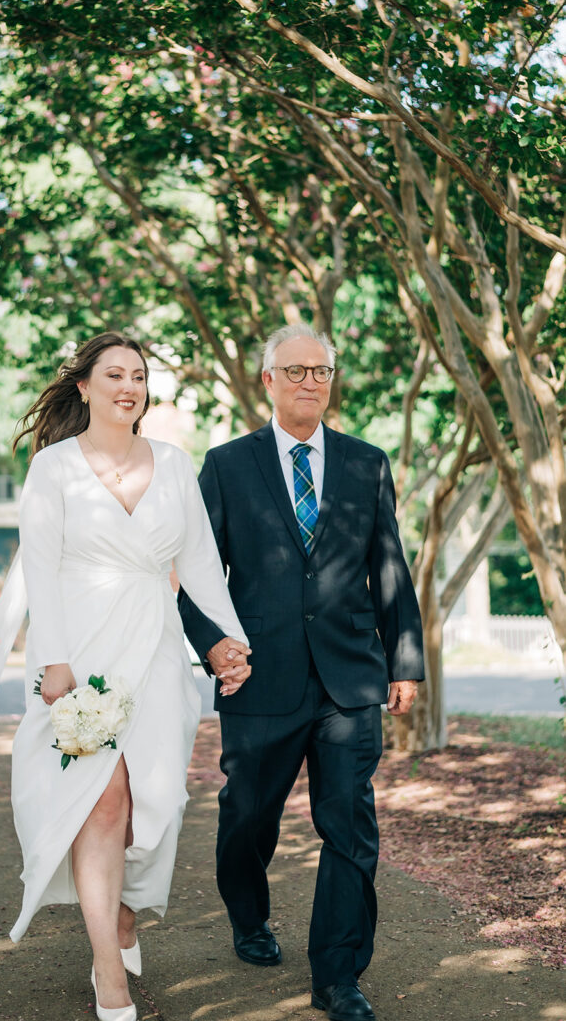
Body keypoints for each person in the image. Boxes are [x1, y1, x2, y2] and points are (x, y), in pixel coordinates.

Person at [0, 333, 250, 1021]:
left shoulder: (175, 466)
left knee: (158, 802)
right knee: (102, 801)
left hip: (152, 647)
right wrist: (54, 660)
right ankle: (109, 972)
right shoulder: (53, 469)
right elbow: (40, 568)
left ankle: (123, 914)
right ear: (83, 386)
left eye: (139, 376)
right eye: (114, 374)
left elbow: (201, 565)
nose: (129, 386)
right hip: (78, 652)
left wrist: (230, 640)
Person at [179, 323, 425, 1021]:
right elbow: (194, 578)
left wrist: (403, 658)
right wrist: (213, 645)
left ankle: (338, 975)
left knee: (348, 823)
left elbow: (389, 568)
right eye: (295, 371)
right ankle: (249, 915)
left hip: (350, 678)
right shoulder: (226, 466)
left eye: (321, 370)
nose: (310, 381)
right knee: (247, 815)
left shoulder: (367, 462)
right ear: (268, 381)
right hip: (259, 679)